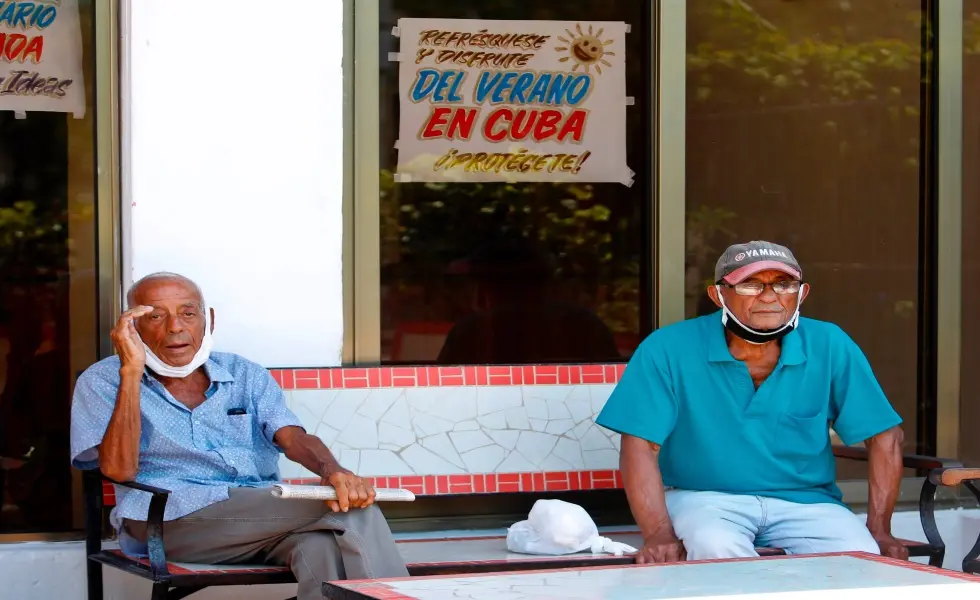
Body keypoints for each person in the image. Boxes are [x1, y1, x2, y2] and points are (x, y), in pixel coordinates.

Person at [70, 272, 407, 600]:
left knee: (321, 548)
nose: (175, 327)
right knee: (354, 511)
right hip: (167, 521)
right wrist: (131, 372)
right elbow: (119, 470)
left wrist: (332, 470)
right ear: (132, 327)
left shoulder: (244, 373)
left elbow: (292, 437)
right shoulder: (103, 381)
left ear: (209, 320)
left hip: (255, 517)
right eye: (156, 316)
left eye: (188, 313)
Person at [596, 241, 908, 564]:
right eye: (750, 284)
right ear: (718, 295)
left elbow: (885, 435)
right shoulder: (668, 347)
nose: (770, 296)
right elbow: (639, 444)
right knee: (717, 548)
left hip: (808, 502)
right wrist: (658, 532)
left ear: (802, 294)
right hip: (703, 498)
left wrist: (880, 529)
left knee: (859, 558)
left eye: (784, 284)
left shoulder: (829, 343)